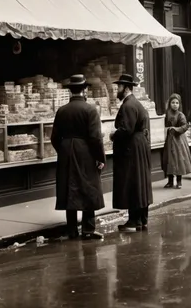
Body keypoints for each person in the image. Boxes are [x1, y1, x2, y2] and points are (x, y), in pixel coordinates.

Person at [51, 74, 106, 240]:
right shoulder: (90, 110)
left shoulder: (62, 111)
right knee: (89, 187)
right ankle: (88, 229)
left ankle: (72, 230)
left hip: (66, 152)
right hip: (86, 153)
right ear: (84, 90)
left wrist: (64, 150)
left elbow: (54, 138)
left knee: (69, 188)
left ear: (71, 91)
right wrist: (100, 158)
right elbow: (96, 137)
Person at [111, 74, 153, 232]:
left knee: (133, 182)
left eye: (119, 87)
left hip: (131, 148)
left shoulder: (128, 105)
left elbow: (126, 129)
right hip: (138, 145)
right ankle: (142, 219)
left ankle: (134, 220)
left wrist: (113, 135)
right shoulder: (135, 103)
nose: (117, 90)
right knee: (140, 182)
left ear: (126, 88)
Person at [162, 93, 191, 189]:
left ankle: (179, 181)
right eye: (173, 102)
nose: (175, 104)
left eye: (177, 103)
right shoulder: (167, 114)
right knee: (169, 160)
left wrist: (176, 129)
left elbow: (185, 126)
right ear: (169, 104)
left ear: (179, 104)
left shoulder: (181, 115)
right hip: (169, 140)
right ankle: (170, 181)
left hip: (178, 140)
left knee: (178, 159)